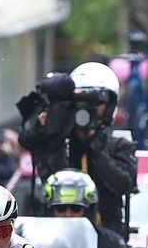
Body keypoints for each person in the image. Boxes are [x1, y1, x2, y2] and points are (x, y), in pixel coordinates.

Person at [19, 62, 137, 235]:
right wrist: (51, 132)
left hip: (107, 244)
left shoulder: (119, 146)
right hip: (56, 239)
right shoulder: (58, 144)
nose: (86, 110)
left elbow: (122, 184)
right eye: (79, 103)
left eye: (95, 102)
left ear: (110, 105)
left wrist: (93, 143)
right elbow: (50, 178)